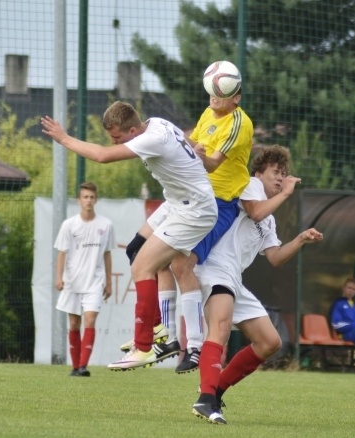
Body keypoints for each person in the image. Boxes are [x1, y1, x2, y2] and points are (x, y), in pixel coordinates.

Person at [41, 101, 217, 370]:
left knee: (142, 268)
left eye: (117, 138)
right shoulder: (157, 122)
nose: (114, 143)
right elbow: (184, 143)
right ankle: (159, 329)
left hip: (194, 208)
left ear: (133, 129)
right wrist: (193, 153)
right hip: (178, 202)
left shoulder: (151, 138)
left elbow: (101, 156)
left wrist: (63, 138)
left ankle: (145, 347)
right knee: (135, 249)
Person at [193, 145, 323, 424]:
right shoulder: (249, 186)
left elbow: (275, 258)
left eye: (284, 174)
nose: (280, 178)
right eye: (275, 172)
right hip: (214, 268)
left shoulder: (270, 218)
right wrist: (287, 193)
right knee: (220, 329)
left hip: (232, 278)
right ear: (258, 173)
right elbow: (254, 212)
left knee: (269, 342)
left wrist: (300, 239)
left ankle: (215, 391)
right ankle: (205, 399)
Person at [166, 84, 254, 374]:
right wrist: (184, 144)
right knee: (151, 257)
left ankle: (192, 346)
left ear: (236, 98)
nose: (213, 97)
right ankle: (165, 337)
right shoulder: (208, 113)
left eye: (222, 92)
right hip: (194, 196)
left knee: (181, 264)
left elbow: (213, 163)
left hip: (218, 205)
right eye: (211, 91)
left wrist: (194, 153)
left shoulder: (239, 123)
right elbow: (191, 142)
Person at [54, 182, 116, 377]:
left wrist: (109, 281)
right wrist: (59, 277)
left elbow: (107, 254)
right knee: (74, 323)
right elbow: (62, 253)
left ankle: (82, 366)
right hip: (72, 281)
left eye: (91, 197)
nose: (88, 200)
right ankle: (75, 366)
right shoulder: (69, 225)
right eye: (85, 197)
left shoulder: (106, 225)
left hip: (94, 282)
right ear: (79, 200)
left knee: (90, 319)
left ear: (96, 200)